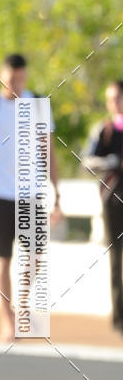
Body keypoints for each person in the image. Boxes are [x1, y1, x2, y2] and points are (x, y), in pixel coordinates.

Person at [0, 54, 61, 342]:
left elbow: (48, 151)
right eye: (11, 80)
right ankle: (7, 321)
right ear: (1, 76)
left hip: (32, 193)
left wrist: (57, 194)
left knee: (36, 255)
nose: (16, 85)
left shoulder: (38, 105)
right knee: (4, 261)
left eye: (21, 79)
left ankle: (22, 305)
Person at [82, 80, 123, 333]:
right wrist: (112, 162)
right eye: (110, 99)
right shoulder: (105, 130)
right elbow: (87, 162)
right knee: (117, 259)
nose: (113, 103)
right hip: (114, 202)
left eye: (117, 98)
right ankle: (119, 318)